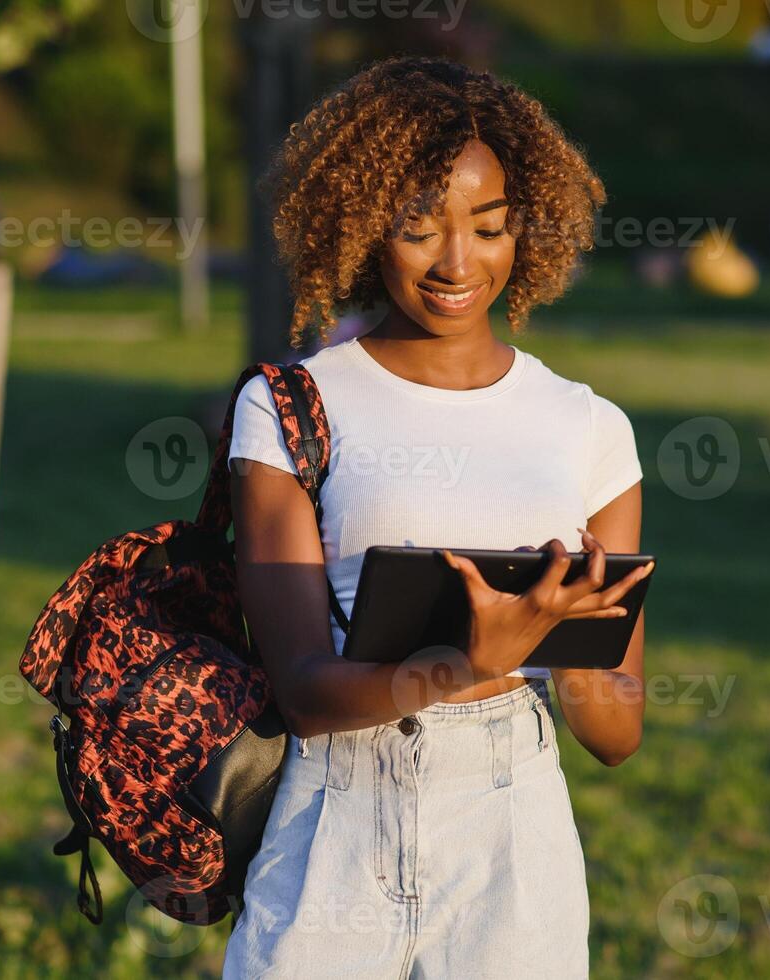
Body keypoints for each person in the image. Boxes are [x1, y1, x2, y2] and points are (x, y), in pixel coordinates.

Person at [222, 56, 653, 979]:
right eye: (419, 229)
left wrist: (559, 642)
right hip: (336, 815)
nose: (459, 262)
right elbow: (302, 690)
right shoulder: (290, 407)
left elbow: (617, 735)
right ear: (367, 227)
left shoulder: (589, 429)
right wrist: (467, 662)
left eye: (489, 227)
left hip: (511, 829)